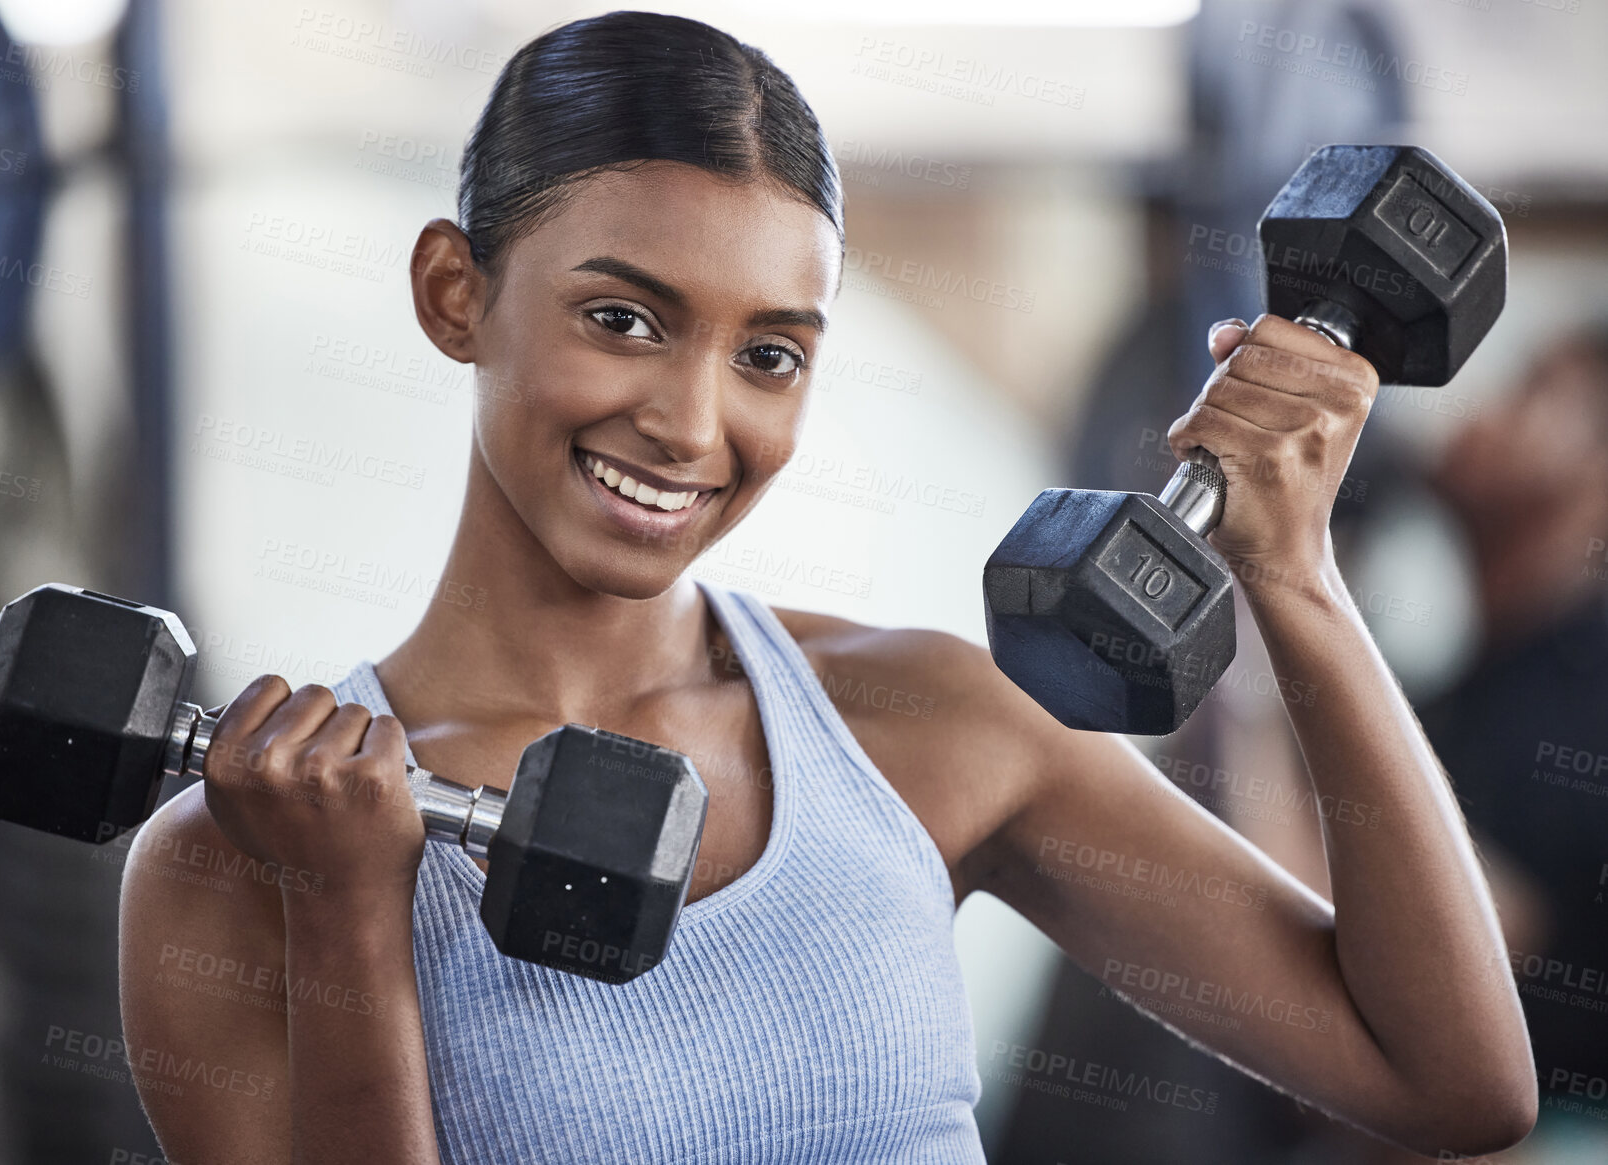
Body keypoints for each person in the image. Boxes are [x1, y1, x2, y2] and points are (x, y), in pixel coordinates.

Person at [116, 11, 1537, 1164]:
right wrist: (352, 913)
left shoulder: (922, 724)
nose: (690, 421)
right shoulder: (237, 858)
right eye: (624, 319)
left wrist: (1293, 572)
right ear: (454, 293)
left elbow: (1450, 1081)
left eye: (769, 354)